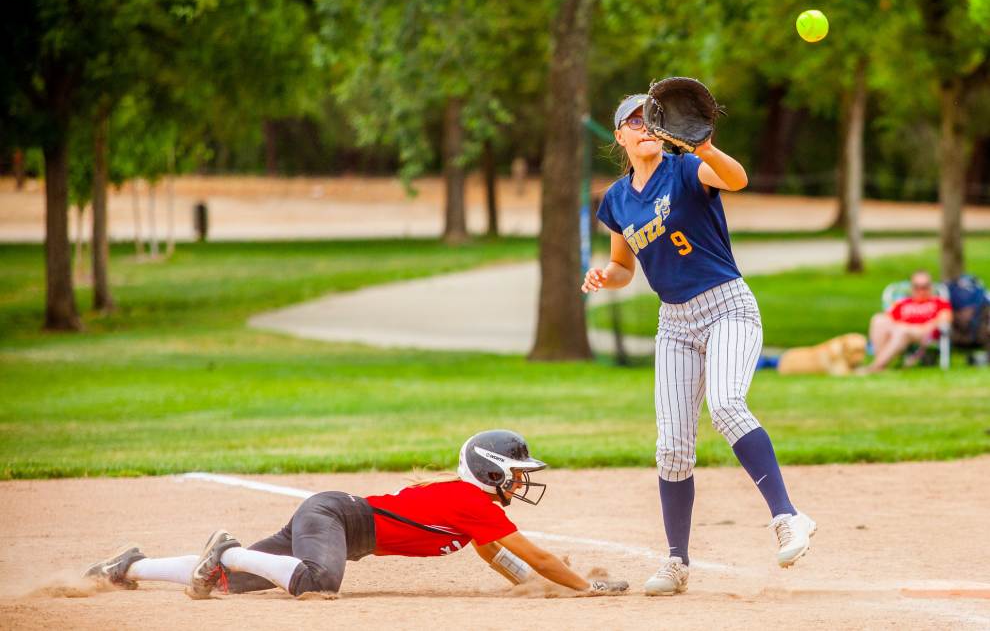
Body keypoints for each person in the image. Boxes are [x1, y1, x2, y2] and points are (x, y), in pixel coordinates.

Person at [582, 93, 816, 596]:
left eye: (652, 116)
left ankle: (788, 517)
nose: (645, 123)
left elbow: (736, 179)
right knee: (671, 447)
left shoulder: (687, 169)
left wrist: (705, 146)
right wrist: (606, 276)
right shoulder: (617, 200)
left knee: (727, 405)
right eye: (634, 119)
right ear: (619, 136)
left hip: (728, 305)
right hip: (675, 324)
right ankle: (676, 562)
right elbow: (624, 266)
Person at [83, 430, 628, 599]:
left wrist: (530, 587)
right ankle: (224, 550)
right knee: (320, 582)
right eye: (514, 471)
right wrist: (582, 587)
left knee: (234, 584)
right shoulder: (472, 502)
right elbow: (533, 552)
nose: (521, 480)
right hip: (337, 520)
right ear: (489, 473)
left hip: (332, 520)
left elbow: (500, 557)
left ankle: (129, 567)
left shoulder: (474, 514)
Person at [865, 269, 952, 372]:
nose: (921, 290)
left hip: (924, 333)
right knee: (878, 320)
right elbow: (888, 319)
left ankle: (874, 367)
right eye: (917, 287)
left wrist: (922, 328)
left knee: (902, 330)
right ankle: (880, 365)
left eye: (925, 287)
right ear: (911, 287)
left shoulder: (939, 302)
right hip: (899, 330)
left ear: (931, 286)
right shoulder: (903, 303)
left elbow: (946, 318)